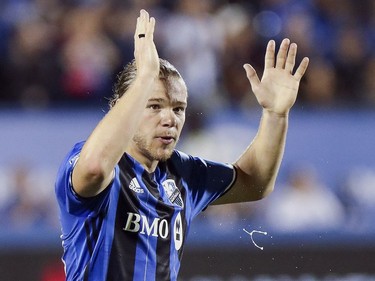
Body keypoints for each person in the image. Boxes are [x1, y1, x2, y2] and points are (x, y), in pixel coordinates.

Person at [55, 9, 309, 281]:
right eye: (154, 105)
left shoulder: (184, 173)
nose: (169, 119)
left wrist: (275, 115)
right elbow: (95, 168)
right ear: (122, 107)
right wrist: (145, 78)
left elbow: (255, 182)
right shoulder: (89, 161)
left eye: (178, 109)